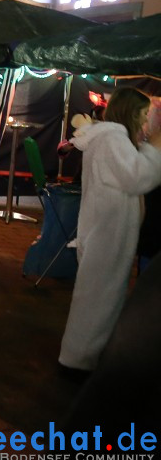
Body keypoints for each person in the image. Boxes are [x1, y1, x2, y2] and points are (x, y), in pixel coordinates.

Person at [58, 87, 161, 375]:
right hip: (107, 233)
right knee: (97, 299)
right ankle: (77, 363)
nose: (144, 123)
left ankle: (82, 358)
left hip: (105, 229)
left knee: (98, 297)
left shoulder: (109, 139)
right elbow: (138, 177)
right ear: (129, 112)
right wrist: (155, 147)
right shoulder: (113, 139)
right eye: (142, 116)